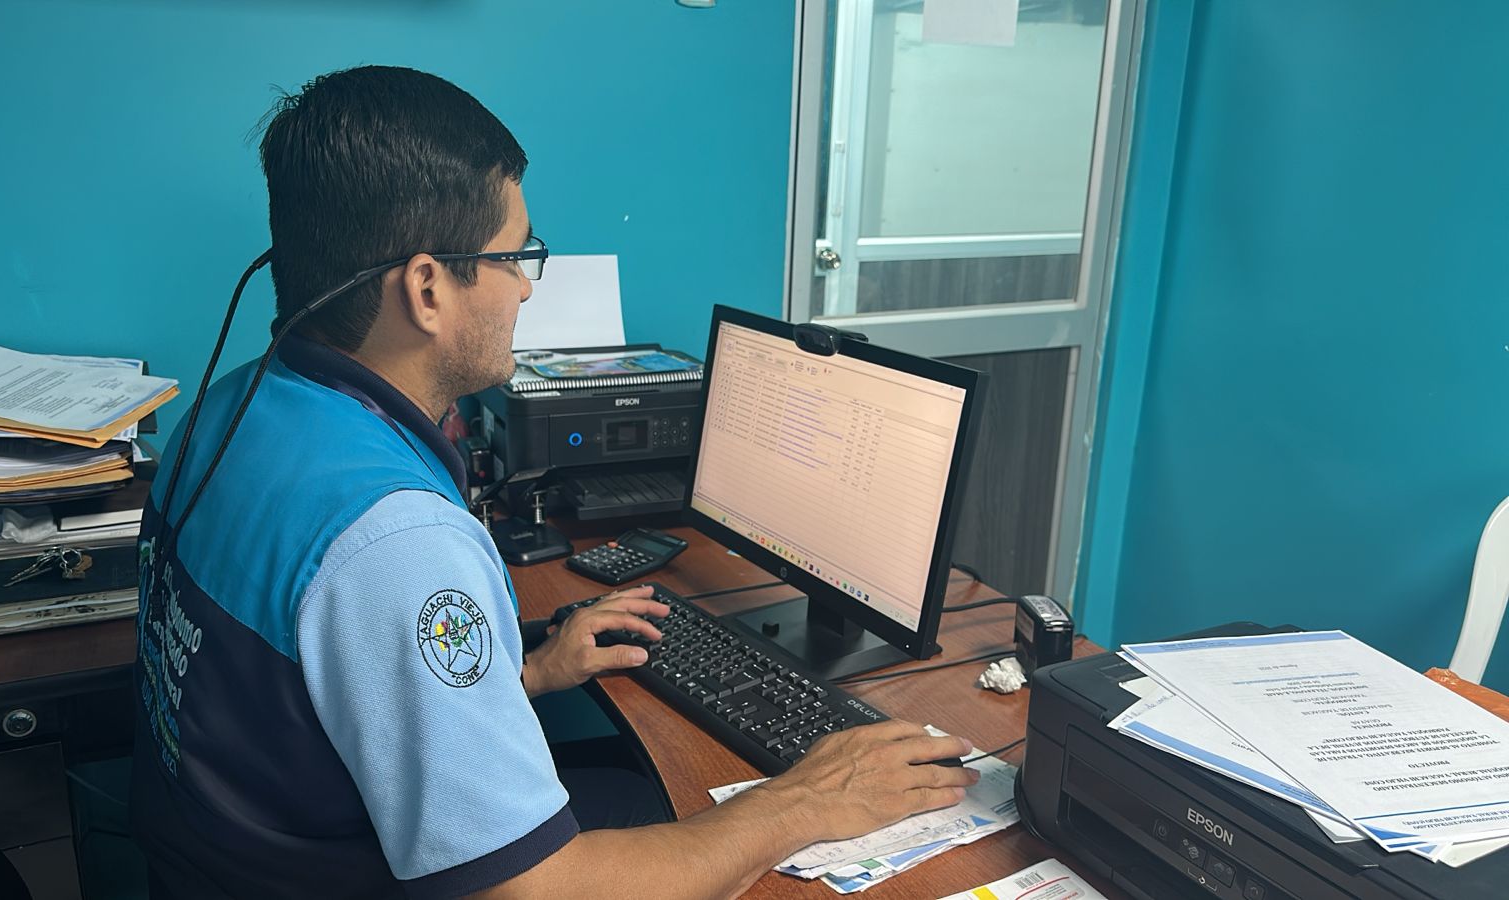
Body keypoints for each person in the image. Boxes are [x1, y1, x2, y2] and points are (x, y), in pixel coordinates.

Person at [130, 65, 978, 899]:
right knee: (725, 833)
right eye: (514, 256)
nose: (527, 286)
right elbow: (530, 892)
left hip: (228, 860)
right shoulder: (397, 543)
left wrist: (526, 673)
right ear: (426, 288)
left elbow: (308, 700)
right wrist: (800, 801)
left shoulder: (228, 408)